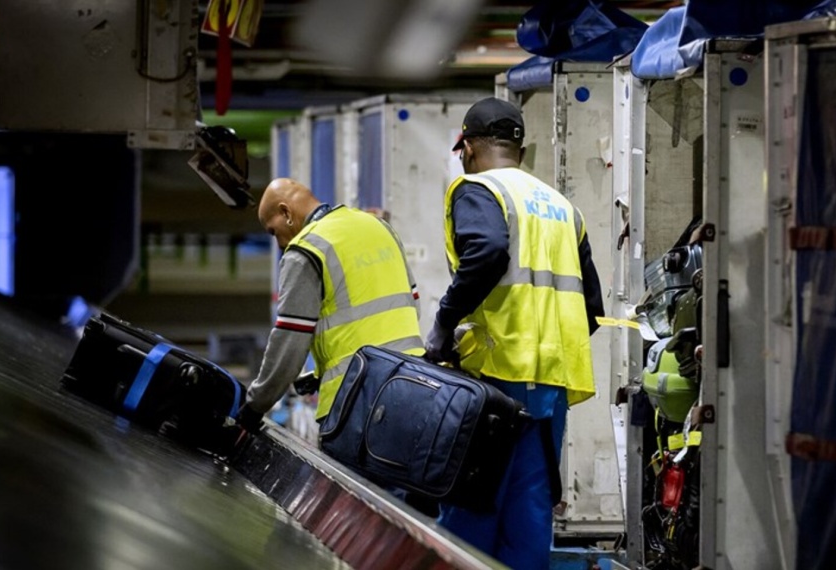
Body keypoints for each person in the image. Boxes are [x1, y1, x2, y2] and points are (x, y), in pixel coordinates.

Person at [425, 98, 604, 569]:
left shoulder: (478, 189)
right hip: (550, 382)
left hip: (495, 377)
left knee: (472, 504)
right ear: (519, 149)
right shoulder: (563, 208)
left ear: (469, 147)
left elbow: (486, 252)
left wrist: (444, 326)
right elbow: (593, 308)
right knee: (530, 511)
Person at [236, 178, 424, 432]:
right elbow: (411, 308)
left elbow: (290, 343)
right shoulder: (378, 227)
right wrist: (318, 375)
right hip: (417, 389)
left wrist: (254, 406)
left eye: (273, 231)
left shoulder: (304, 251)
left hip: (355, 405)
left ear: (286, 212)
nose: (279, 243)